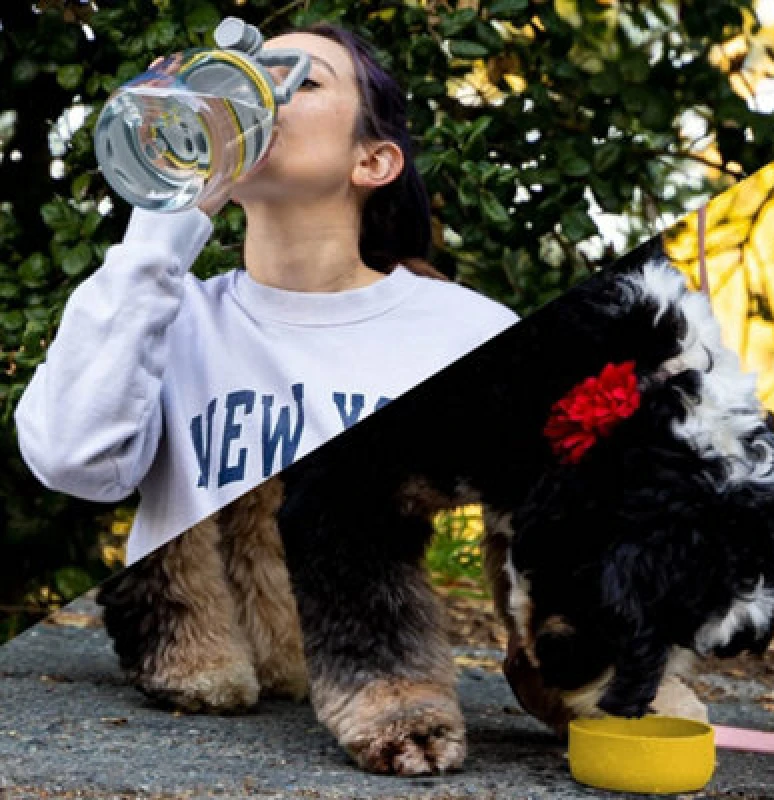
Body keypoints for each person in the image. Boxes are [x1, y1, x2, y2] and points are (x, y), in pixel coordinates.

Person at [14, 22, 520, 567]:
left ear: (372, 162)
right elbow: (70, 461)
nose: (256, 95)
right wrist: (164, 219)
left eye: (302, 84)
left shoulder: (463, 332)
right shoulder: (163, 315)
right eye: (244, 74)